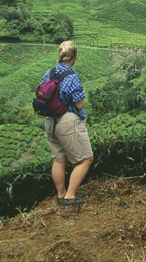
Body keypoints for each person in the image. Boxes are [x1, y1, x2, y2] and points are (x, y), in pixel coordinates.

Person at [41, 40, 93, 206]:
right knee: (86, 159)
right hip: (67, 121)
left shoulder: (48, 73)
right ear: (74, 56)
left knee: (58, 158)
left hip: (50, 121)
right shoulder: (72, 76)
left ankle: (60, 194)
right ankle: (70, 196)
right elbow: (79, 104)